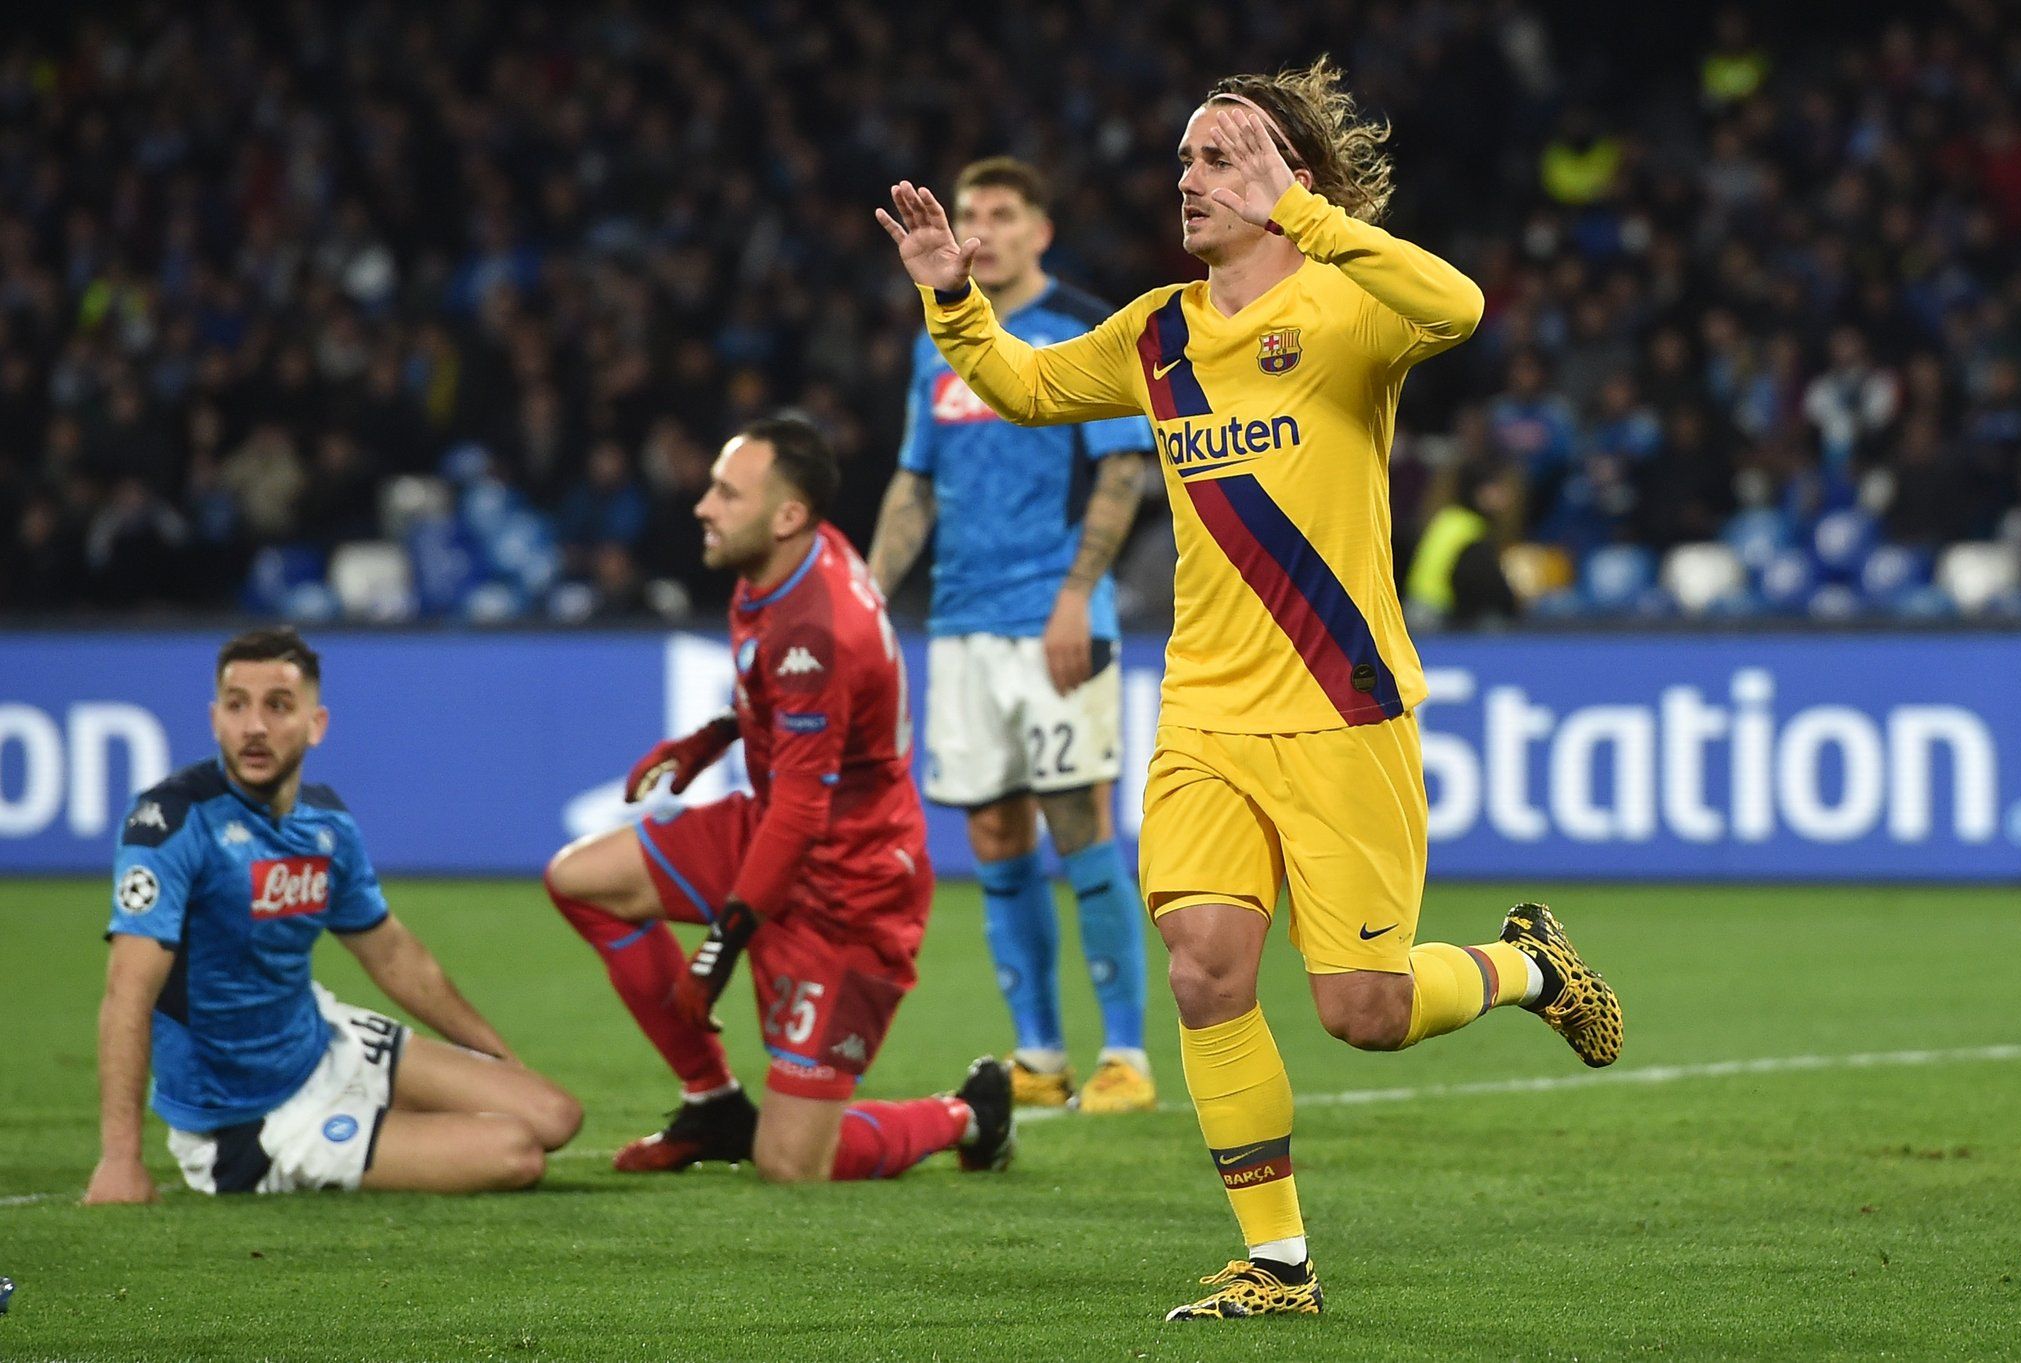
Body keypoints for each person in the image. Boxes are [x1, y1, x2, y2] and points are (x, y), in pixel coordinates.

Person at [877, 57, 1624, 1320]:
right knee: (1204, 971)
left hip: (1337, 705)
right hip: (1204, 715)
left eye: (1220, 155)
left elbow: (1458, 305)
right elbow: (1027, 387)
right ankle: (1276, 1263)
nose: (1190, 176)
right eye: (1185, 157)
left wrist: (1310, 219)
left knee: (1364, 1011)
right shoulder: (1155, 331)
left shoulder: (1349, 303)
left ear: (1290, 175)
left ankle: (1525, 968)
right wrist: (954, 298)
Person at [545, 414, 1015, 1183]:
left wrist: (717, 950)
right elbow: (802, 708)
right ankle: (712, 1102)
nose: (704, 506)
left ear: (788, 514)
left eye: (728, 494)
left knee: (793, 1164)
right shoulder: (783, 564)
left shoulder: (818, 625)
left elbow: (802, 805)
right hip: (776, 830)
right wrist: (715, 734)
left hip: (849, 884)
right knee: (579, 879)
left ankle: (968, 1114)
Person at [85, 627, 582, 1203]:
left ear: (315, 724)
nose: (254, 727)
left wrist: (499, 1062)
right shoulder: (171, 822)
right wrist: (120, 1159)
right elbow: (128, 991)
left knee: (555, 1115)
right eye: (237, 705)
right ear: (215, 719)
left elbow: (393, 955)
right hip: (249, 1120)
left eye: (278, 706)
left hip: (322, 1041)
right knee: (514, 1153)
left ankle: (383, 1122)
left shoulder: (326, 823)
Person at [867, 156, 1157, 1115]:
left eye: (1002, 212)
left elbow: (1123, 472)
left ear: (1041, 230)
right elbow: (915, 481)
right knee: (994, 830)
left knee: (1079, 821)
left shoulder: (1084, 327)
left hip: (1053, 615)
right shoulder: (938, 340)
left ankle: (1126, 1055)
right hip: (961, 619)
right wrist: (867, 594)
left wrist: (1079, 596)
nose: (981, 228)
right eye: (970, 212)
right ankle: (1039, 1053)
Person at [1405, 460, 1521, 627]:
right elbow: (1478, 584)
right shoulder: (1472, 530)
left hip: (1415, 608)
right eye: (1496, 488)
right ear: (1479, 492)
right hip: (1435, 617)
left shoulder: (1448, 518)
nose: (1504, 496)